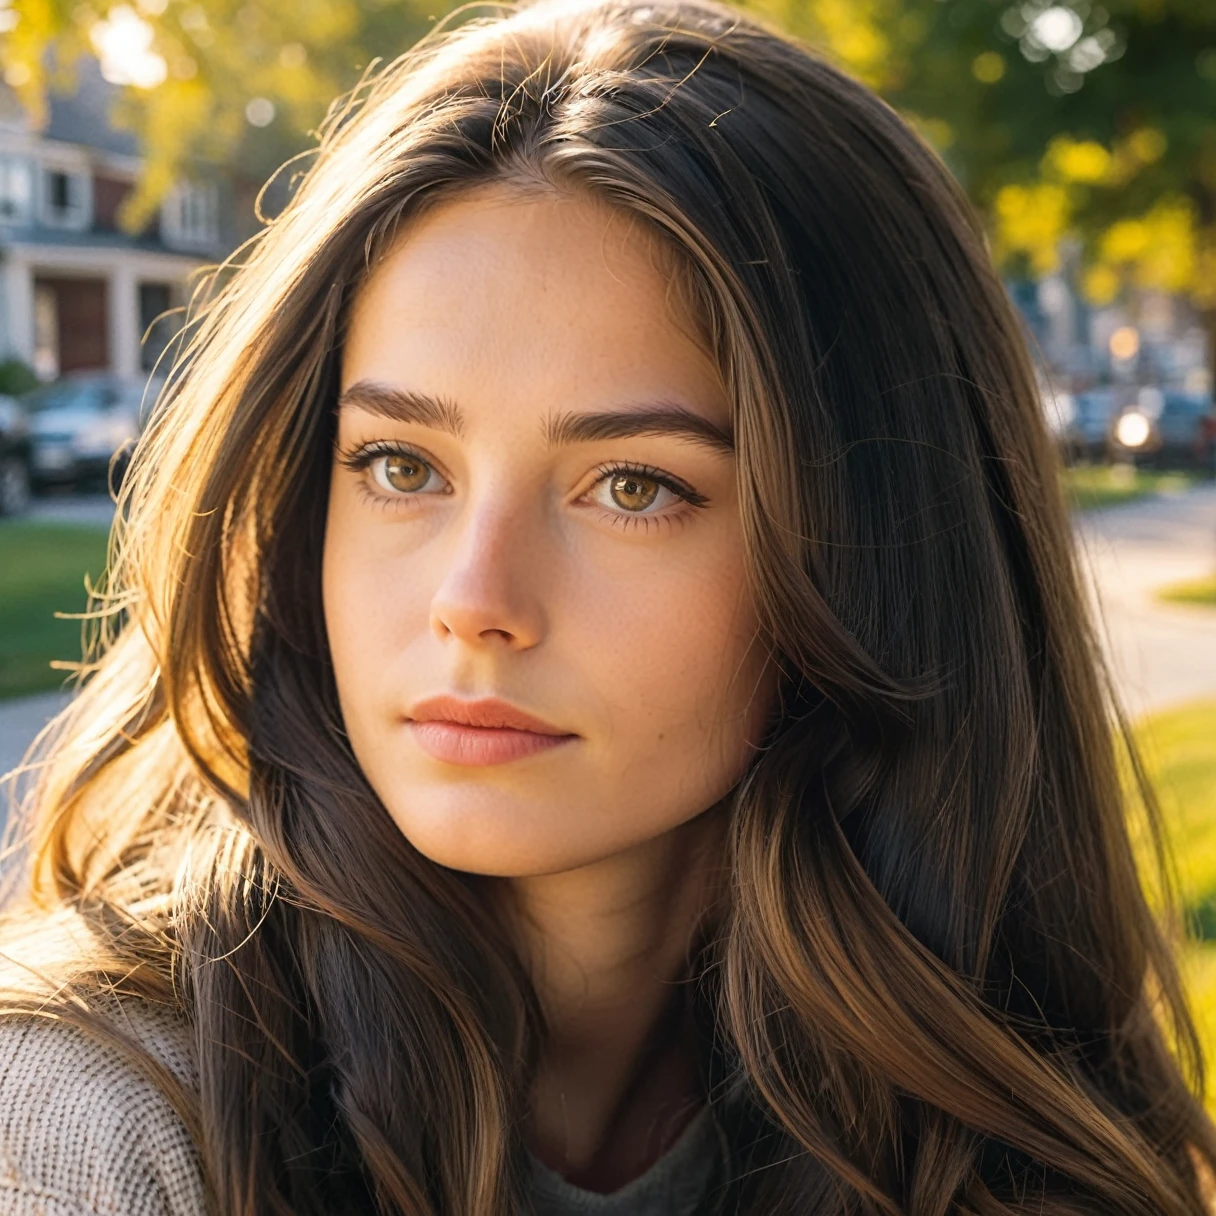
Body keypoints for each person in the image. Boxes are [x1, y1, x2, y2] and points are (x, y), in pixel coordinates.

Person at [1, 0, 1213, 1211]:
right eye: (399, 466)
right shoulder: (86, 1125)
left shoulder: (1003, 1143)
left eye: (632, 486)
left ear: (874, 555)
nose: (474, 603)